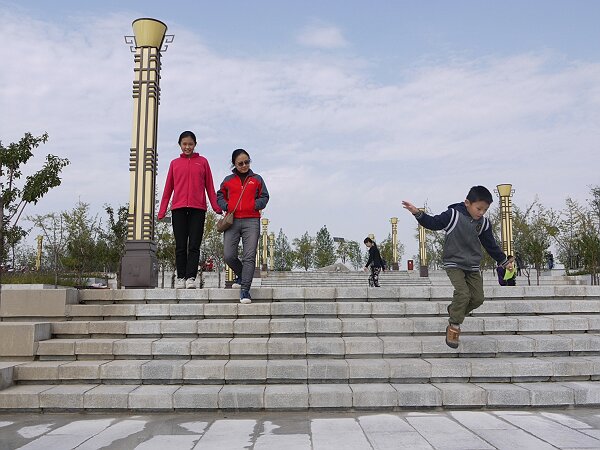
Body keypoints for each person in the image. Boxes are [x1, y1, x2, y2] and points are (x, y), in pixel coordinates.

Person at [402, 186, 507, 348]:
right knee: (463, 294)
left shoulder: (484, 223)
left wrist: (503, 260)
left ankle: (454, 311)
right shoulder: (453, 215)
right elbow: (433, 223)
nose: (481, 213)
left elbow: (490, 244)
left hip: (472, 266)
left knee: (478, 298)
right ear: (467, 203)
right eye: (478, 208)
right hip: (454, 263)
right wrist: (418, 213)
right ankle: (454, 327)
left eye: (485, 210)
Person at [158, 131, 223, 289]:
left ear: (195, 144)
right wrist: (162, 210)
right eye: (184, 144)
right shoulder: (174, 163)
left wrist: (216, 207)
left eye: (190, 144)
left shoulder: (203, 162)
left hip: (198, 209)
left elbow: (210, 187)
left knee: (194, 245)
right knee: (180, 245)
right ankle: (180, 277)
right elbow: (168, 189)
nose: (187, 147)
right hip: (178, 209)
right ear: (180, 145)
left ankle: (191, 278)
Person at [217, 149, 269, 304]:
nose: (244, 165)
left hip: (252, 221)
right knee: (228, 255)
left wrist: (255, 204)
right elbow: (219, 195)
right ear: (234, 164)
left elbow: (265, 196)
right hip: (232, 221)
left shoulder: (257, 179)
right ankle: (242, 275)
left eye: (247, 162)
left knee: (249, 256)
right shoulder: (227, 180)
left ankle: (245, 289)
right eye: (241, 163)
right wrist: (225, 205)